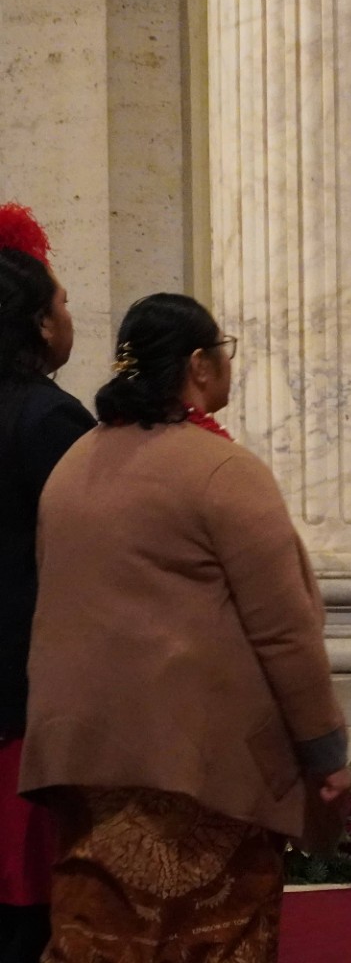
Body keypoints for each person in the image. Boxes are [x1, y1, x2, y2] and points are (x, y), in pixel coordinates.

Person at [22, 293, 351, 960]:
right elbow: (284, 630)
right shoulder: (223, 472)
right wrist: (324, 749)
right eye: (223, 352)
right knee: (211, 937)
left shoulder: (71, 467)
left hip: (87, 767)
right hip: (203, 770)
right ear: (199, 365)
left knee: (101, 940)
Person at [0, 205, 86, 963]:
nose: (70, 314)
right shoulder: (51, 419)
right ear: (35, 324)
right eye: (61, 302)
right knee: (31, 907)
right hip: (25, 688)